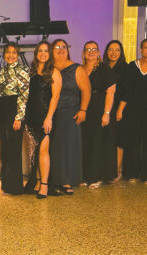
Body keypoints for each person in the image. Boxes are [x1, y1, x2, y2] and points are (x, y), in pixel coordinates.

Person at [117, 38, 147, 184]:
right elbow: (127, 88)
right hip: (133, 108)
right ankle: (132, 173)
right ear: (141, 49)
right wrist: (121, 109)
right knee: (133, 141)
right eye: (146, 47)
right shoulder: (132, 66)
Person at [49, 39, 91, 195]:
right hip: (51, 113)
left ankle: (66, 181)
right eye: (57, 47)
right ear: (52, 50)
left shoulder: (76, 69)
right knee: (52, 147)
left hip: (70, 112)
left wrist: (83, 110)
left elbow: (86, 91)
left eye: (64, 47)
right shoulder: (48, 68)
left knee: (67, 147)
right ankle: (52, 180)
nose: (61, 49)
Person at [23, 41, 62, 198]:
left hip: (47, 117)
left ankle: (45, 185)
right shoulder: (30, 71)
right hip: (31, 117)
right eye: (40, 51)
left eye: (46, 51)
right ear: (36, 53)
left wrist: (49, 118)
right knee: (35, 151)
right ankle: (38, 181)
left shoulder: (54, 72)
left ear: (50, 53)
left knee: (44, 150)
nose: (43, 53)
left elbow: (55, 98)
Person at [80, 41, 117, 189]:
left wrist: (106, 113)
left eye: (94, 49)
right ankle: (86, 176)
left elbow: (111, 91)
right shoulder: (80, 69)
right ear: (83, 53)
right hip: (84, 109)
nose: (90, 52)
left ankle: (97, 177)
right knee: (86, 143)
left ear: (98, 52)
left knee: (98, 143)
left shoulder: (104, 69)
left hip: (100, 108)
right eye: (87, 49)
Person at [0, 43, 30, 195]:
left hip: (15, 111)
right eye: (8, 52)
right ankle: (6, 185)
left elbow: (23, 95)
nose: (10, 55)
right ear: (4, 55)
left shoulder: (23, 70)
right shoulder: (2, 71)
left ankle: (15, 187)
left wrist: (19, 118)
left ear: (18, 54)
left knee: (13, 150)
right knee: (5, 149)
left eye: (14, 52)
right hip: (3, 111)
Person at [103, 40, 129, 183]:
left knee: (119, 139)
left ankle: (117, 170)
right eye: (111, 49)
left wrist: (120, 110)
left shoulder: (125, 68)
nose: (113, 53)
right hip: (105, 108)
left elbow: (127, 91)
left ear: (121, 52)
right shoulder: (102, 67)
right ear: (106, 51)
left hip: (120, 108)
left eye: (117, 50)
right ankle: (106, 169)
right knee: (108, 139)